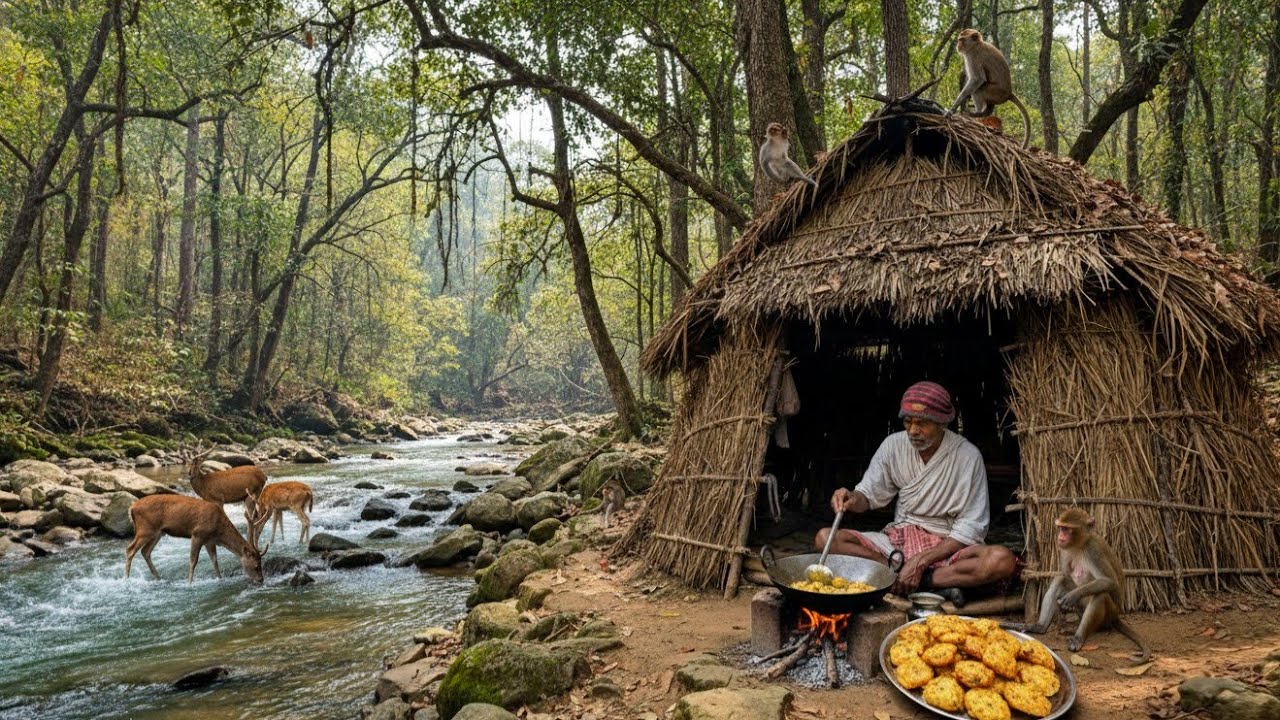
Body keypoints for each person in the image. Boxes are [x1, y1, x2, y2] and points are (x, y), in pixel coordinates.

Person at [814, 380, 1017, 604]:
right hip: (898, 544)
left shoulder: (968, 456)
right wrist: (853, 498)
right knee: (825, 539)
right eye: (908, 422)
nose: (912, 431)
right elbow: (869, 496)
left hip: (947, 545)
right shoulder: (893, 446)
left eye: (922, 423)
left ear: (943, 423)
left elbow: (971, 528)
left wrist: (921, 562)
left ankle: (913, 579)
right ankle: (925, 582)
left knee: (1001, 560)